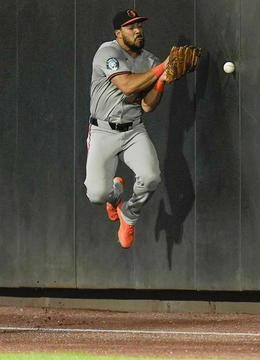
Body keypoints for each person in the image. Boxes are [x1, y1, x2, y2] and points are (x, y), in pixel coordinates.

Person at [84, 9, 168, 249]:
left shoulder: (150, 61)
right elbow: (128, 86)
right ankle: (114, 193)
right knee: (96, 196)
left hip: (133, 131)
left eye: (140, 25)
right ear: (118, 33)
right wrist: (162, 69)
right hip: (102, 131)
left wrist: (162, 80)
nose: (138, 30)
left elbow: (148, 106)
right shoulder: (107, 52)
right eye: (131, 27)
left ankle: (129, 215)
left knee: (151, 178)